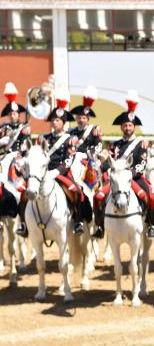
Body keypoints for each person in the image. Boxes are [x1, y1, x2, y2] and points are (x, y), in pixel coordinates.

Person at [93, 90, 154, 239]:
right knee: (98, 197)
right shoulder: (114, 145)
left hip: (135, 178)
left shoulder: (141, 143)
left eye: (130, 125)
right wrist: (100, 163)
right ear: (121, 127)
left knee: (150, 196)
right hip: (117, 180)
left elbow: (141, 164)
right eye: (125, 125)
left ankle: (151, 225)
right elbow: (109, 164)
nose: (127, 128)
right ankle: (99, 226)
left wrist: (128, 175)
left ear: (134, 126)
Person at [28, 89, 93, 237]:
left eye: (57, 120)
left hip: (62, 172)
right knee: (28, 192)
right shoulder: (42, 138)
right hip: (43, 173)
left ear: (63, 123)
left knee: (76, 191)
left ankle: (77, 221)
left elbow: (69, 159)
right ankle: (24, 224)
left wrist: (56, 172)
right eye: (53, 120)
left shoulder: (71, 139)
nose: (54, 122)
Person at [0, 82, 31, 231]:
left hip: (20, 159)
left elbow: (25, 145)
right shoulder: (2, 128)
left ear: (19, 115)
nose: (13, 116)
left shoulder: (24, 128)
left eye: (15, 114)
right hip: (5, 159)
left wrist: (18, 155)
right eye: (11, 114)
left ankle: (25, 216)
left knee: (29, 184)